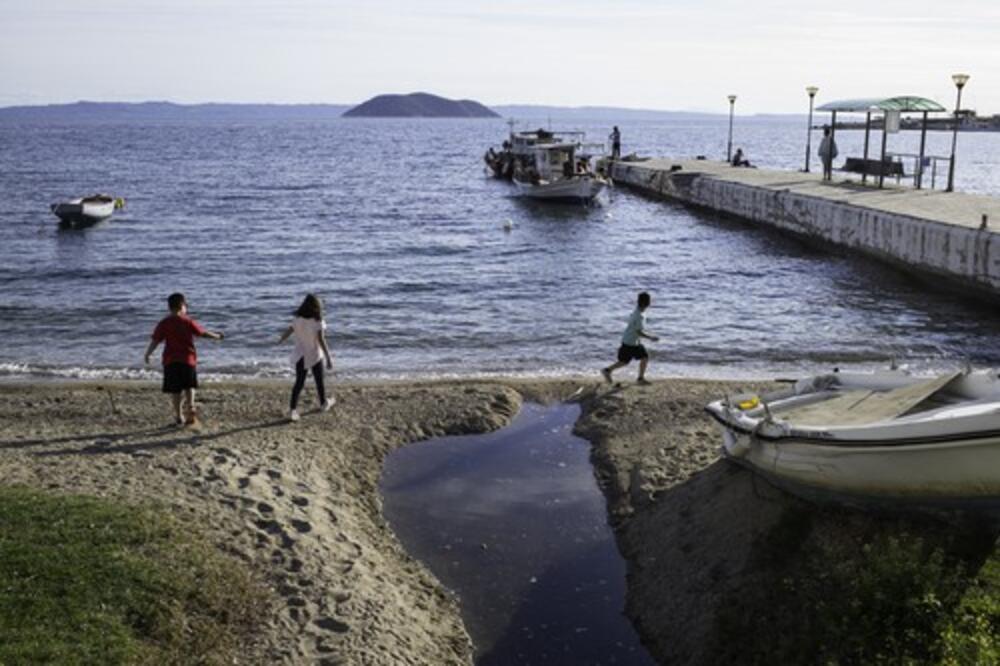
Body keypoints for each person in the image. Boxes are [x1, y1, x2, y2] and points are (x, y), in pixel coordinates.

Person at [144, 292, 224, 426]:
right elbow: (202, 333)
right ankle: (191, 408)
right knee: (189, 386)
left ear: (169, 307)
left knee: (175, 391)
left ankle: (178, 416)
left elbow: (156, 340)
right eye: (186, 305)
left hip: (170, 361)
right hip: (188, 359)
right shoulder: (187, 321)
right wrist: (216, 336)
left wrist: (148, 353)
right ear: (182, 306)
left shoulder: (164, 323)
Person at [278, 294, 334, 422]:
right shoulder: (317, 321)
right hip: (314, 354)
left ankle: (292, 410)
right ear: (316, 307)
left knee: (299, 383)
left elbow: (290, 330)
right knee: (319, 381)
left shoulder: (297, 318)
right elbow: (321, 340)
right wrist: (328, 358)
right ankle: (323, 404)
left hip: (300, 354)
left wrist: (282, 338)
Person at [601, 291, 659, 386]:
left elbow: (636, 329)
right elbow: (638, 332)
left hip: (630, 341)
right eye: (649, 301)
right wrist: (651, 337)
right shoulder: (639, 315)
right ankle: (639, 378)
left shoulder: (638, 311)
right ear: (646, 303)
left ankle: (607, 371)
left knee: (626, 361)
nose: (650, 303)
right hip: (630, 342)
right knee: (638, 358)